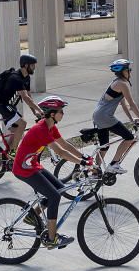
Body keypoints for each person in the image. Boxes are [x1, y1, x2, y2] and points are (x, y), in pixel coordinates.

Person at [12, 96, 91, 250]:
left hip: (32, 166)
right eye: (61, 111)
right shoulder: (41, 130)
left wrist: (85, 157)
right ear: (52, 114)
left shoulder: (50, 126)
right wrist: (81, 163)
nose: (63, 114)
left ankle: (32, 215)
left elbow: (65, 145)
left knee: (60, 189)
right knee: (54, 195)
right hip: (23, 169)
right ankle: (51, 238)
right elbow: (61, 152)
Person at [92, 59, 139, 175]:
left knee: (104, 146)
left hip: (98, 115)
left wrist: (132, 120)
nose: (130, 73)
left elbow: (123, 104)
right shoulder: (122, 84)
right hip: (105, 117)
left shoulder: (116, 82)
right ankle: (114, 164)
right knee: (129, 137)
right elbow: (131, 103)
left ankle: (95, 171)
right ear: (124, 72)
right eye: (129, 70)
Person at [0, 54, 43, 155]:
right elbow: (25, 98)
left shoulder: (26, 78)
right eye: (32, 65)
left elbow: (29, 97)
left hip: (10, 107)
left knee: (17, 130)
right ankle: (13, 152)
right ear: (26, 65)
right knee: (22, 123)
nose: (34, 67)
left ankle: (3, 155)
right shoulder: (16, 78)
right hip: (3, 106)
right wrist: (40, 110)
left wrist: (35, 112)